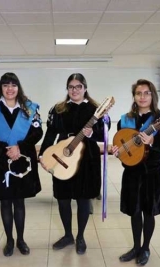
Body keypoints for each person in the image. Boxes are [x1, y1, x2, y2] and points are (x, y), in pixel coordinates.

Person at [39, 73, 109, 255]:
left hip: (87, 159)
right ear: (67, 89)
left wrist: (91, 134)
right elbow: (50, 133)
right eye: (71, 87)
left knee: (83, 199)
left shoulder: (96, 109)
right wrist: (43, 155)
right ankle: (68, 235)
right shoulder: (59, 109)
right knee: (63, 199)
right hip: (62, 157)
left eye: (78, 86)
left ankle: (80, 237)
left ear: (85, 88)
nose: (74, 90)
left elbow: (104, 135)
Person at [112, 79, 160, 266]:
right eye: (138, 93)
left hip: (152, 173)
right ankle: (135, 247)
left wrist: (153, 142)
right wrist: (118, 152)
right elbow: (121, 145)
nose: (142, 96)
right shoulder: (125, 119)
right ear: (134, 96)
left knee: (148, 212)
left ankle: (146, 248)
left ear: (152, 96)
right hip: (132, 173)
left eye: (146, 93)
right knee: (134, 212)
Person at [0, 72, 42, 256]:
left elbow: (37, 132)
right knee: (5, 202)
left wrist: (19, 147)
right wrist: (5, 149)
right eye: (6, 85)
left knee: (19, 202)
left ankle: (21, 240)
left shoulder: (29, 108)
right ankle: (9, 240)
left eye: (13, 85)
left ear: (18, 87)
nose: (10, 89)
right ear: (1, 88)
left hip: (22, 160)